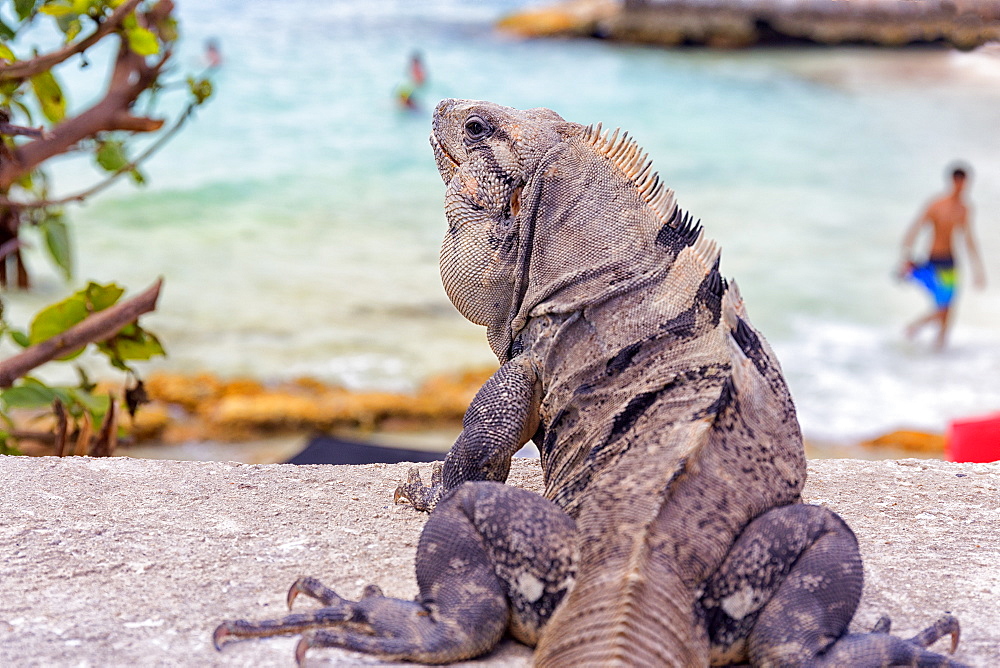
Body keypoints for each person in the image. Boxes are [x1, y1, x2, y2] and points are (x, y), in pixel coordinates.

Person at [898, 164, 986, 349]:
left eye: (966, 183)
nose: (963, 187)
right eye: (960, 182)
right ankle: (912, 328)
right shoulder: (936, 205)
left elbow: (969, 240)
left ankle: (939, 350)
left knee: (948, 312)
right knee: (943, 309)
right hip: (932, 262)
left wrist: (978, 270)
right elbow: (915, 229)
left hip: (950, 264)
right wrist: (905, 258)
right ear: (953, 181)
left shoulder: (964, 209)